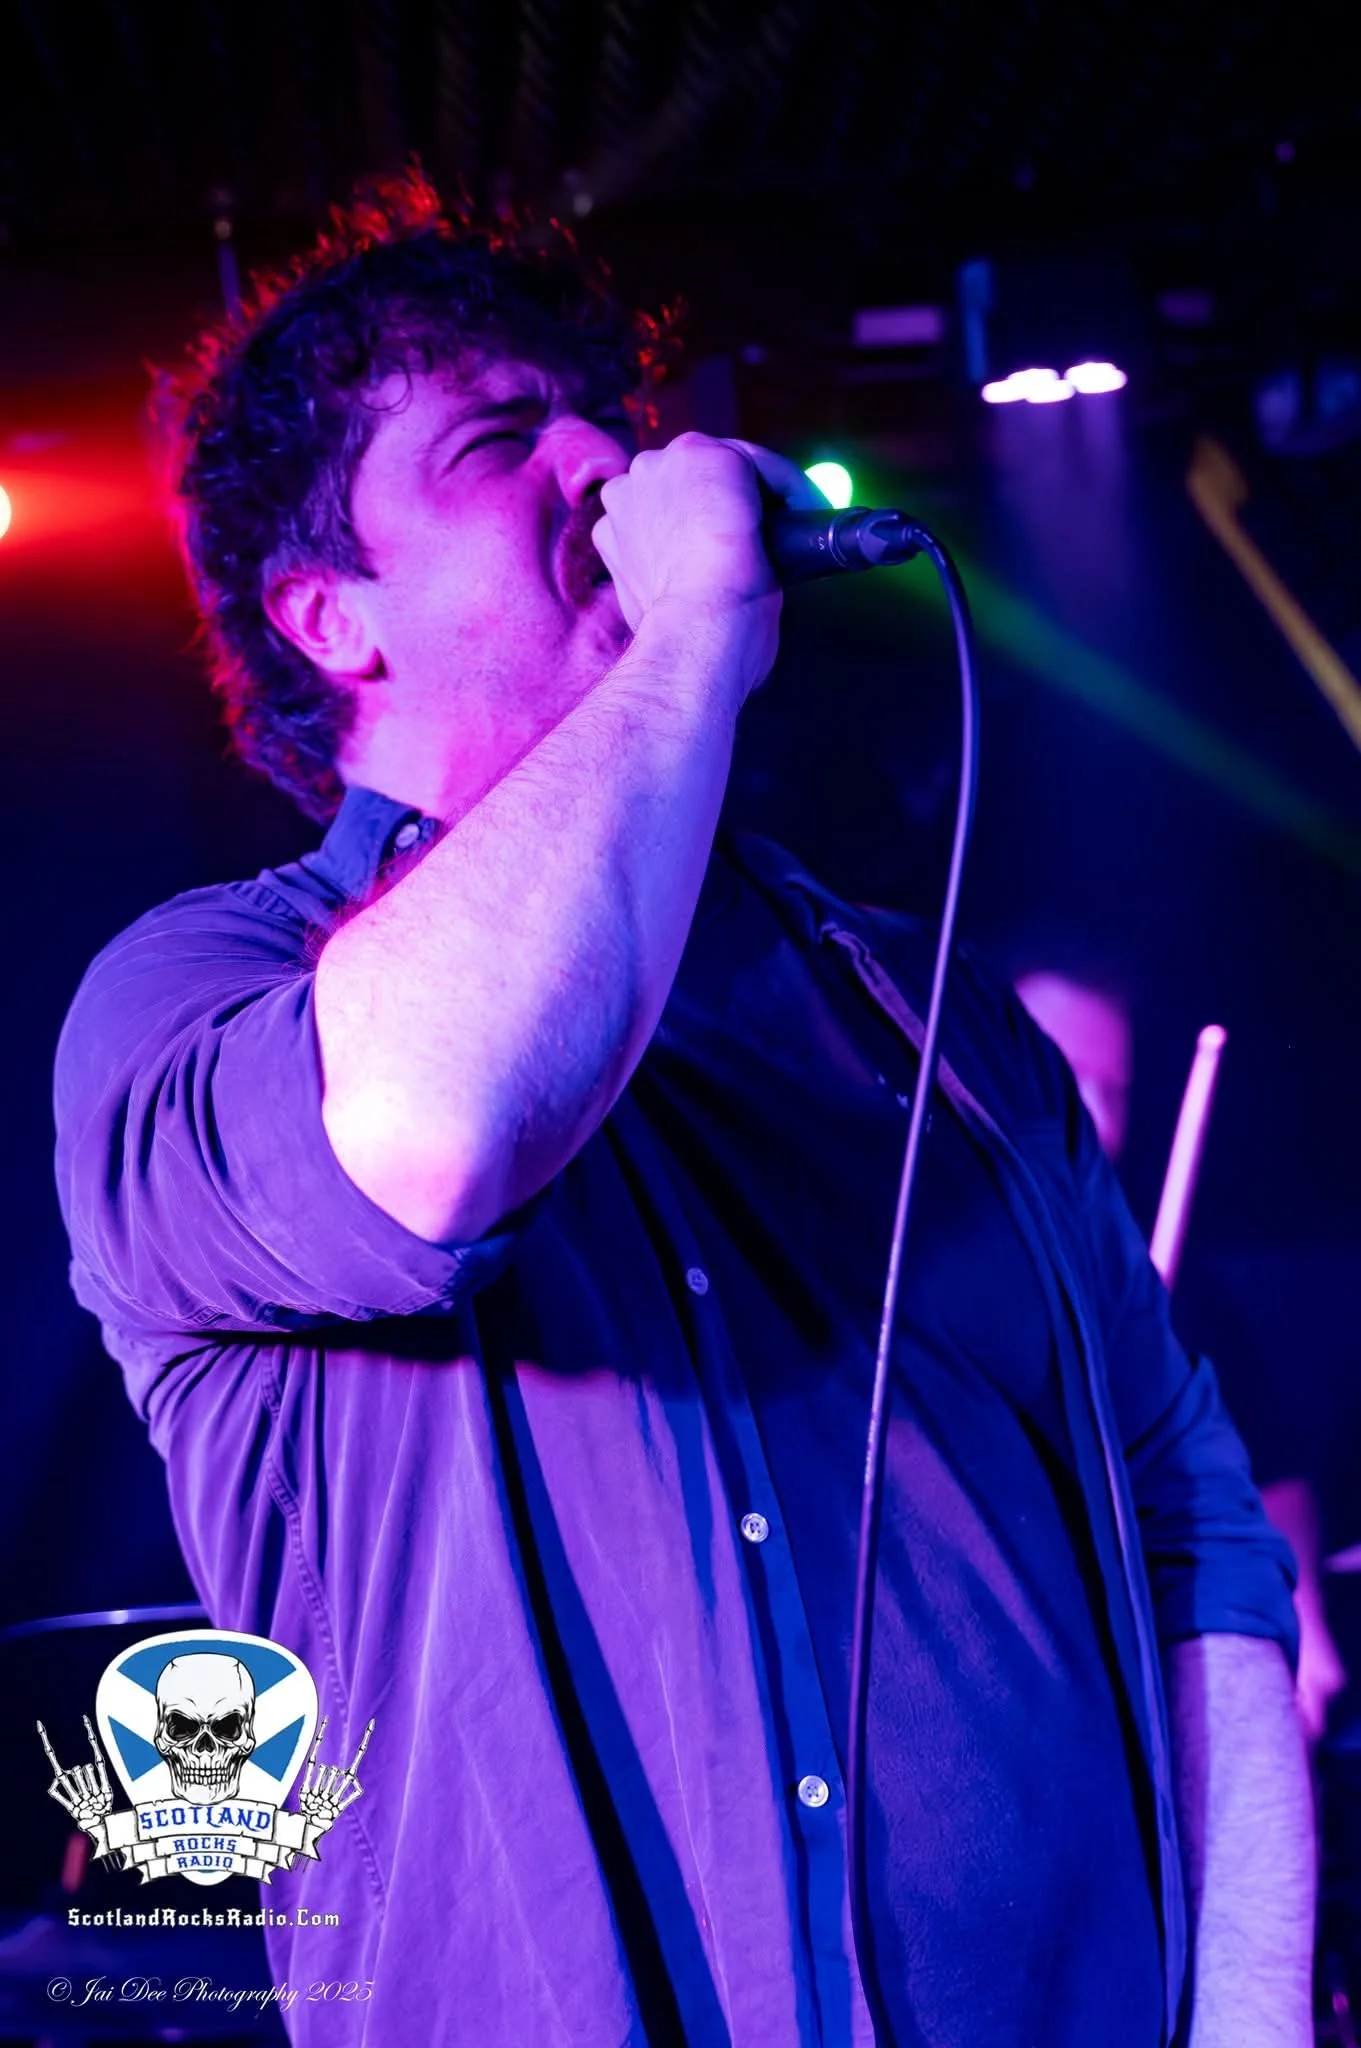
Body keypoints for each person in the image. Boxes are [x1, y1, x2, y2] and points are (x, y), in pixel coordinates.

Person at [53, 169, 1313, 2047]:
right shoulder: (195, 999)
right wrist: (693, 630)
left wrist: (1254, 2017)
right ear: (331, 618)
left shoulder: (927, 1008)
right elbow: (437, 1131)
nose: (600, 466)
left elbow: (1188, 1521)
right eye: (497, 441)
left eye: (606, 422)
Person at [1014, 960, 1347, 1746]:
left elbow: (1273, 1476)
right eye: (1066, 1077)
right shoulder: (917, 1267)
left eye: (1114, 1091)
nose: (1095, 1121)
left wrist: (1302, 1618)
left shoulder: (1157, 1275)